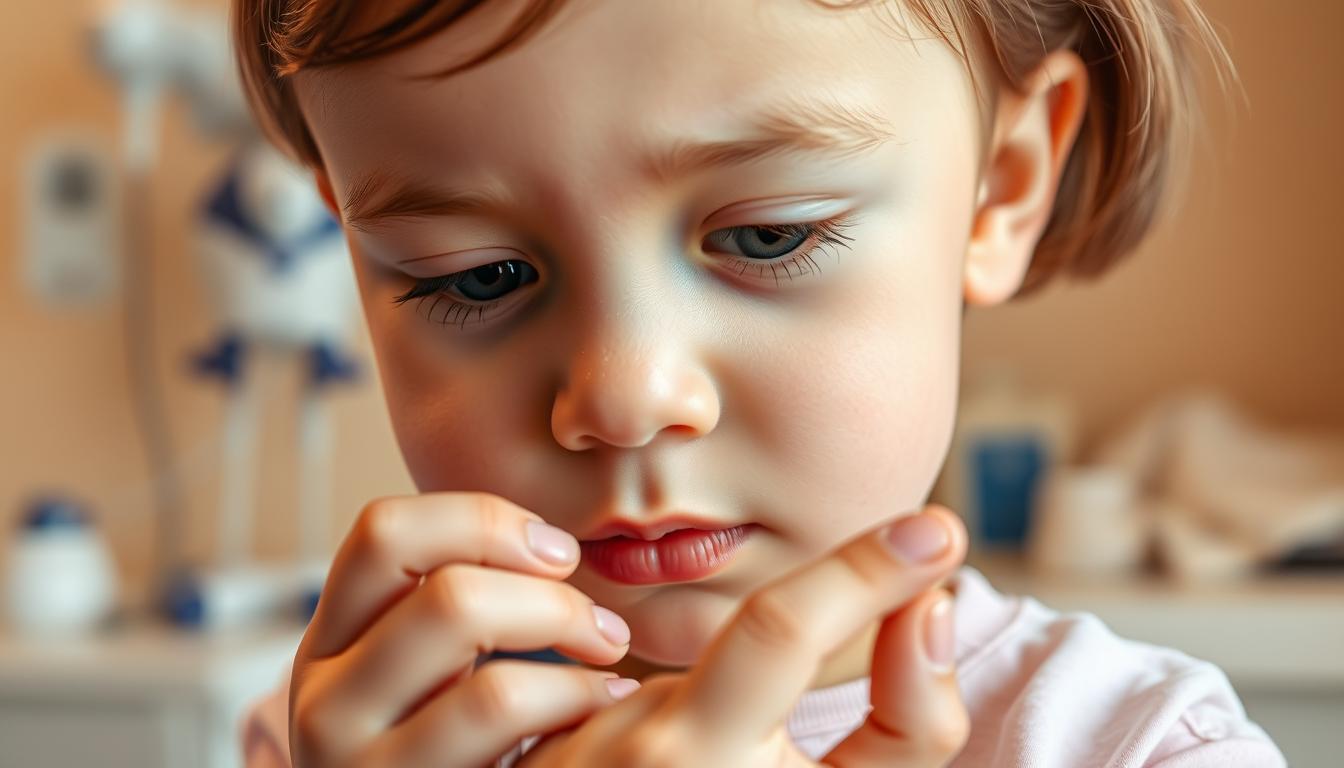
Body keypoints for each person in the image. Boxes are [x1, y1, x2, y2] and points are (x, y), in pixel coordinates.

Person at [231, 0, 1286, 765]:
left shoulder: (1147, 748)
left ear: (1003, 185)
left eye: (768, 234)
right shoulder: (341, 737)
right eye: (478, 275)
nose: (624, 398)